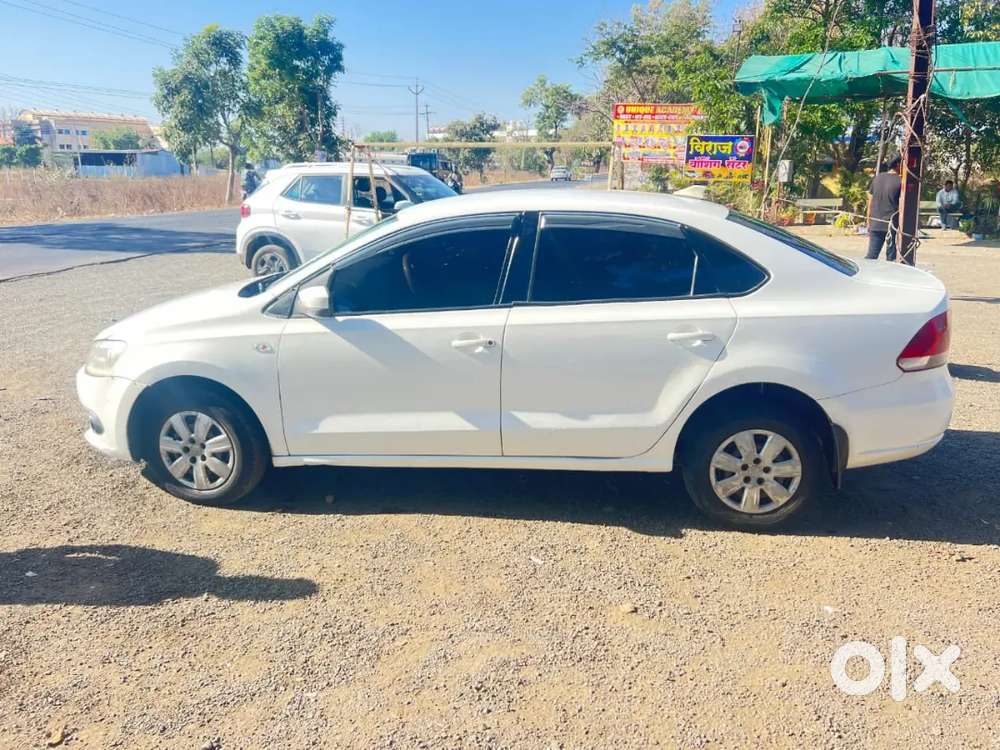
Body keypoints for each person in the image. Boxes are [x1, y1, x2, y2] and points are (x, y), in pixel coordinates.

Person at [866, 155, 902, 261]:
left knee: (872, 255)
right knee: (891, 257)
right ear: (898, 164)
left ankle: (865, 269)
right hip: (891, 224)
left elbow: (870, 201)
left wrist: (868, 219)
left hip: (875, 222)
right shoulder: (901, 181)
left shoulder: (878, 178)